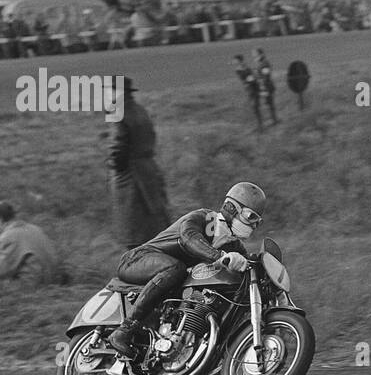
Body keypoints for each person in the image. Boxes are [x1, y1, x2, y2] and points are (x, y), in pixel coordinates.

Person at [108, 181, 265, 358]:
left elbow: (245, 266)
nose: (253, 225)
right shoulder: (206, 218)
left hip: (167, 277)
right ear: (231, 207)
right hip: (137, 259)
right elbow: (188, 237)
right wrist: (219, 256)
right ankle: (124, 330)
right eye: (251, 217)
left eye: (257, 222)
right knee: (176, 268)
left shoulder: (233, 245)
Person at [107, 77, 171, 248]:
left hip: (131, 176)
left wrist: (115, 166)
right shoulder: (141, 110)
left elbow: (118, 147)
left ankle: (139, 266)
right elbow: (151, 136)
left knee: (133, 229)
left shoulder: (117, 111)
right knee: (155, 224)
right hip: (149, 169)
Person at [0, 200, 62, 291]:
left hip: (30, 285)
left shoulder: (8, 235)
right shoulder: (35, 228)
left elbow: (3, 271)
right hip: (54, 279)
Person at [233, 54, 263, 132]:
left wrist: (251, 78)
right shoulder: (239, 69)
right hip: (250, 88)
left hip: (254, 88)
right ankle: (259, 124)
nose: (234, 61)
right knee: (254, 107)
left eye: (235, 60)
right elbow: (247, 78)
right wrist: (250, 79)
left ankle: (260, 125)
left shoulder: (244, 67)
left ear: (239, 60)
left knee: (255, 106)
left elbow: (251, 76)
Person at [253, 47, 280, 126]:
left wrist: (263, 87)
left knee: (270, 103)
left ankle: (274, 120)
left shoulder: (264, 63)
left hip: (267, 87)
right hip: (264, 86)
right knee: (268, 103)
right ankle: (274, 120)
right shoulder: (260, 62)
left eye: (255, 54)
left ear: (261, 54)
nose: (254, 55)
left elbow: (266, 76)